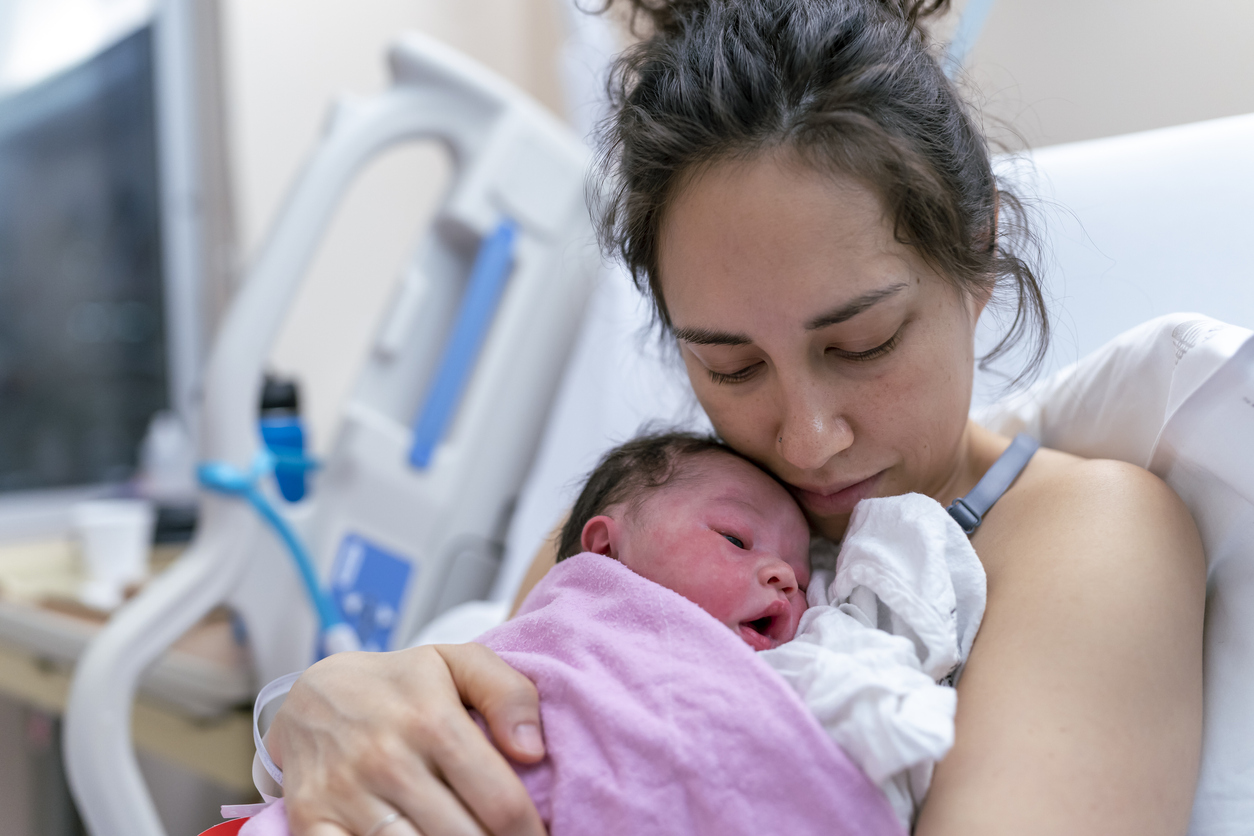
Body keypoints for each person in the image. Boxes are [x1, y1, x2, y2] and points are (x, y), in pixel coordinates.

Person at [266, 2, 1206, 835]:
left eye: (864, 343)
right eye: (730, 365)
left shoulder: (1083, 537)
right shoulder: (630, 536)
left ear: (977, 249)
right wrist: (311, 709)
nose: (806, 440)